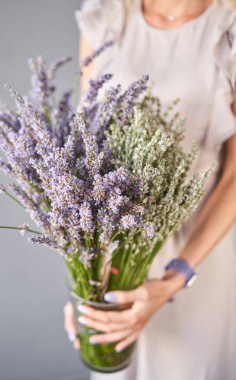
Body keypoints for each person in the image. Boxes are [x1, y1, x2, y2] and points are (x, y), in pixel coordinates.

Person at [64, 1, 236, 379]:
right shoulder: (107, 17)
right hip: (115, 262)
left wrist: (176, 275)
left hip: (198, 254)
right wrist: (85, 275)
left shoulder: (229, 28)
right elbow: (88, 152)